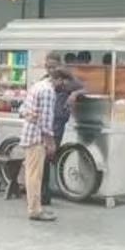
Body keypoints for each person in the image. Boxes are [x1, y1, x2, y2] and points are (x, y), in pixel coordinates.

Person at [20, 69, 71, 222]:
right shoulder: (48, 92)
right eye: (64, 82)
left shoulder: (37, 86)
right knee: (35, 176)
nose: (64, 86)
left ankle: (34, 207)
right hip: (38, 137)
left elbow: (23, 109)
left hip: (29, 134)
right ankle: (35, 210)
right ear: (59, 79)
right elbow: (47, 122)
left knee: (31, 174)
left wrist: (31, 116)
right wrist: (51, 142)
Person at [41, 53, 86, 205]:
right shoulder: (44, 81)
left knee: (48, 156)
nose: (51, 70)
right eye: (48, 67)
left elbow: (84, 89)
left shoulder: (67, 81)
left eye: (53, 67)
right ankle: (43, 192)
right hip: (44, 123)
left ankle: (45, 192)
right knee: (43, 158)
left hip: (58, 123)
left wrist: (74, 94)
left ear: (60, 65)